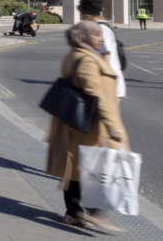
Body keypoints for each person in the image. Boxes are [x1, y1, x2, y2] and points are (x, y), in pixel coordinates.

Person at [45, 21, 126, 231]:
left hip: (72, 125)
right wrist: (113, 126)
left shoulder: (74, 54)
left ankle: (73, 212)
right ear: (84, 36)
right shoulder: (87, 60)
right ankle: (93, 212)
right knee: (87, 170)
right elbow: (97, 95)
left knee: (76, 170)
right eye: (96, 34)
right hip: (85, 127)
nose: (100, 38)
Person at [78, 0, 125, 102]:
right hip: (107, 85)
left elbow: (105, 60)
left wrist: (99, 86)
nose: (80, 13)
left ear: (86, 11)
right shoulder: (99, 27)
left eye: (80, 9)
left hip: (108, 86)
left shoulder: (101, 29)